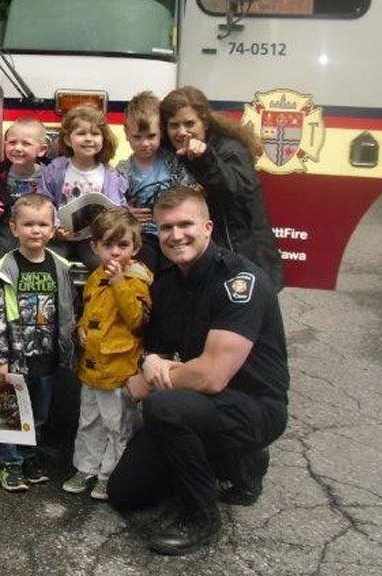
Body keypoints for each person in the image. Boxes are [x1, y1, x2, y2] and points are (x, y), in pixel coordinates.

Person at [107, 186, 289, 556]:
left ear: (207, 227)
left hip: (254, 407)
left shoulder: (240, 281)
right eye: (166, 228)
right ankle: (222, 460)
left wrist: (153, 377)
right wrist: (149, 362)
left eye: (185, 225)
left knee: (164, 407)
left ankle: (202, 515)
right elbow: (155, 352)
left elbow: (211, 376)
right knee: (124, 493)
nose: (176, 236)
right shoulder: (168, 284)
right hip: (200, 403)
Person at [0, 194, 76, 492]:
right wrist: (0, 357)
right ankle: (8, 462)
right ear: (14, 228)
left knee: (38, 414)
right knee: (10, 412)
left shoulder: (59, 266)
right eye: (28, 224)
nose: (35, 230)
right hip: (14, 357)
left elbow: (66, 309)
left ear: (53, 229)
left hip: (46, 356)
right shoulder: (5, 267)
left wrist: (67, 347)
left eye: (42, 224)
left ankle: (27, 456)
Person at [62, 208, 152, 500]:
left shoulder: (137, 280)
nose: (115, 252)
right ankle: (86, 468)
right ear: (95, 247)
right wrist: (81, 328)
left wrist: (120, 284)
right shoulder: (96, 276)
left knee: (117, 425)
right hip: (92, 366)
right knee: (89, 420)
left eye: (123, 245)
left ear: (135, 248)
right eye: (108, 245)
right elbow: (90, 309)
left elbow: (137, 319)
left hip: (118, 368)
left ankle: (110, 474)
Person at [161, 86, 285, 290]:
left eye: (189, 123)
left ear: (205, 122)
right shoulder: (169, 152)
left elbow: (233, 190)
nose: (182, 131)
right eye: (174, 125)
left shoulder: (231, 149)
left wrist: (204, 158)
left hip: (242, 256)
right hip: (203, 257)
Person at [116, 91, 197, 272]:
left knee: (174, 271)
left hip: (173, 232)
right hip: (143, 237)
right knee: (142, 271)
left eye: (151, 136)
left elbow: (190, 193)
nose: (145, 143)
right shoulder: (123, 171)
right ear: (127, 134)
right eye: (137, 137)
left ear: (161, 132)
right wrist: (126, 212)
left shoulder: (173, 162)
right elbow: (113, 204)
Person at [40, 104, 127, 268]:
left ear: (103, 139)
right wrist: (56, 227)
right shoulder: (55, 169)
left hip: (92, 240)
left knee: (102, 264)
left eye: (95, 134)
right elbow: (44, 201)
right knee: (48, 262)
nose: (88, 138)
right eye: (81, 133)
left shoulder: (110, 175)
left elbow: (118, 208)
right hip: (60, 237)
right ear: (68, 139)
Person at [0, 117, 51, 282]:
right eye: (12, 143)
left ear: (41, 150)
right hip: (10, 225)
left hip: (41, 226)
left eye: (26, 144)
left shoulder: (51, 173)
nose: (17, 148)